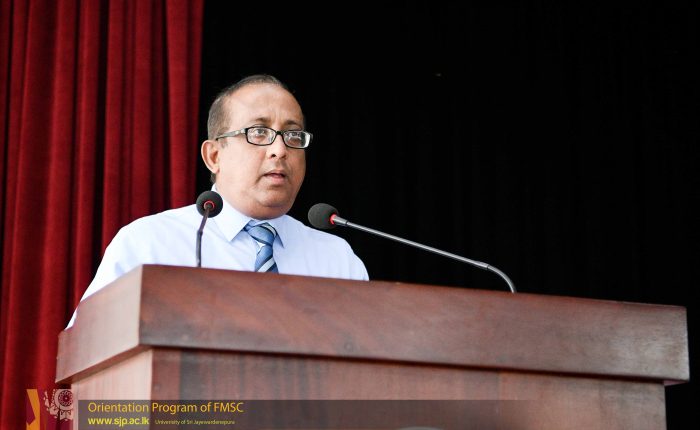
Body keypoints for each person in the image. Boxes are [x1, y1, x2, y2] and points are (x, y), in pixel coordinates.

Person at [68, 74, 368, 326]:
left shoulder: (337, 260)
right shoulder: (150, 244)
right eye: (258, 132)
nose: (279, 149)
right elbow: (87, 350)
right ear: (214, 156)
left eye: (293, 135)